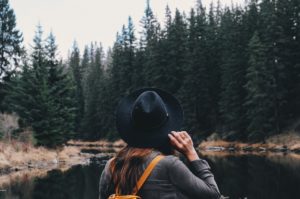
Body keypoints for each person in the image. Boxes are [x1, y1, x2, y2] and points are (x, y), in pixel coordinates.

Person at [99, 88, 221, 199]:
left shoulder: (111, 166)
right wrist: (192, 153)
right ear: (166, 128)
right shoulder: (169, 164)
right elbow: (213, 195)